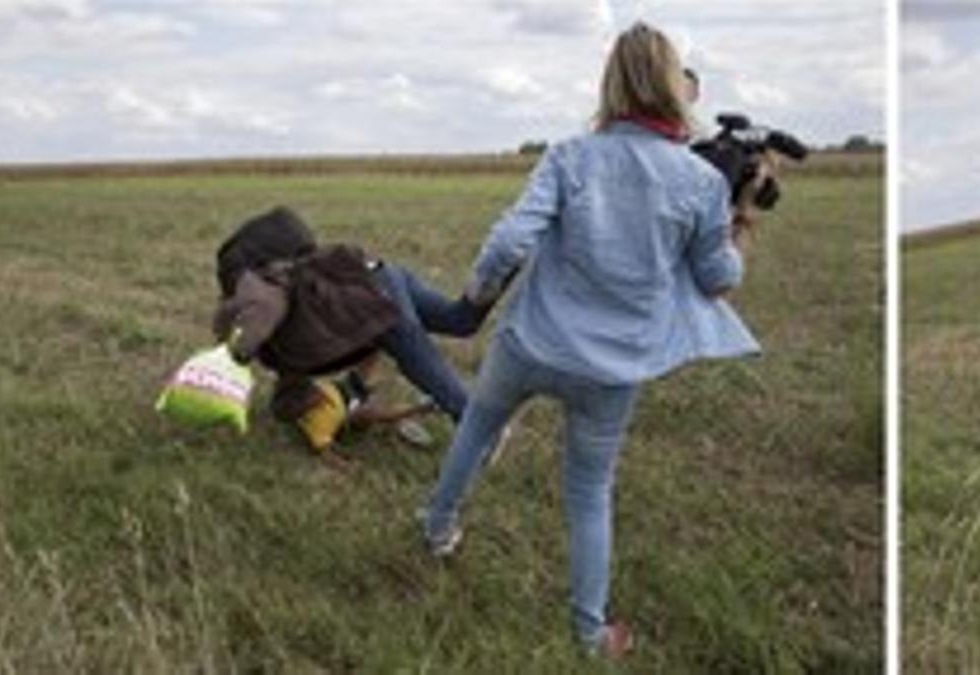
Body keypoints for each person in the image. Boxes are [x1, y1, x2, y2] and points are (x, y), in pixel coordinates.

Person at [418, 22, 760, 659]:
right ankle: (588, 631)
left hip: (528, 342)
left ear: (611, 82)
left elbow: (508, 242)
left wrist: (477, 298)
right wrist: (742, 227)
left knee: (477, 426)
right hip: (613, 367)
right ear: (672, 85)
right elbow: (718, 280)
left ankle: (437, 527)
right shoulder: (702, 182)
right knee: (589, 490)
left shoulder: (569, 156)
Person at [213, 206, 491, 451]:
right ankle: (493, 275)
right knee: (459, 321)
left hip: (376, 300)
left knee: (419, 360)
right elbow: (293, 366)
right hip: (383, 274)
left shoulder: (269, 284)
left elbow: (262, 312)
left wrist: (233, 355)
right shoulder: (306, 283)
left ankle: (479, 426)